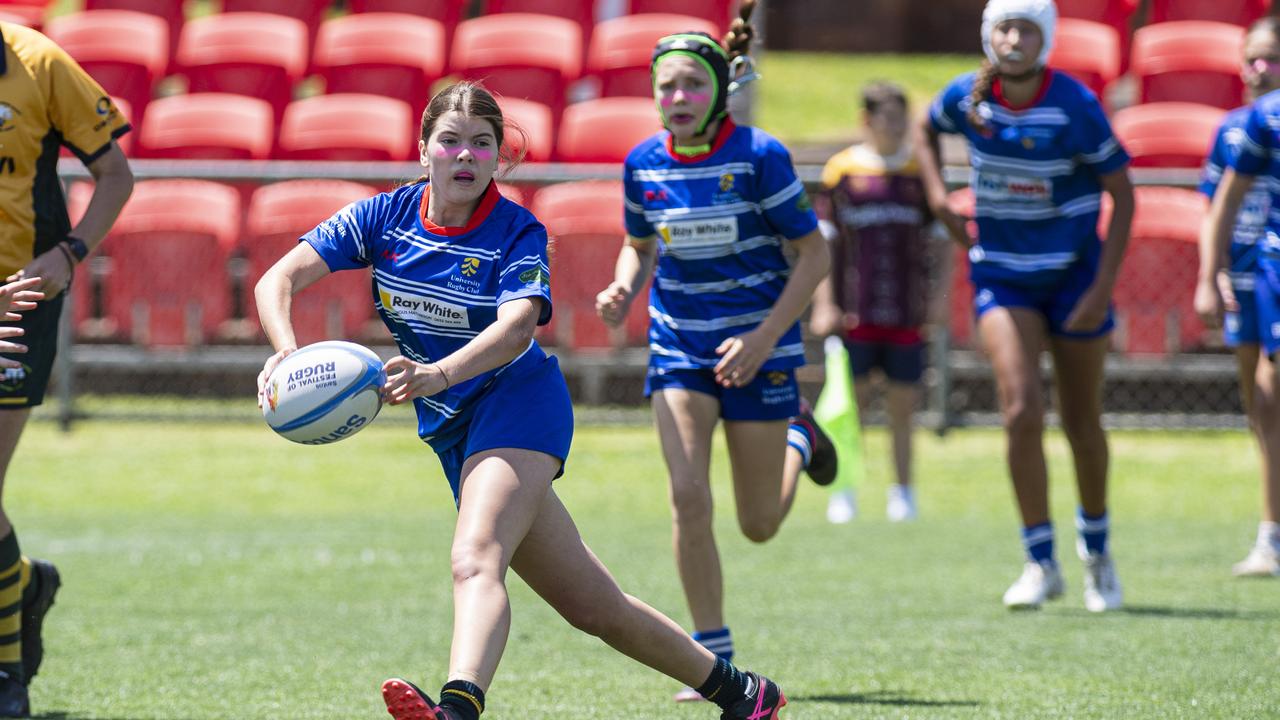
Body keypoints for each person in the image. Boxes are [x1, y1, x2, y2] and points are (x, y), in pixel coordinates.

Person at [255, 81, 787, 720]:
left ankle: (458, 708)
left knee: (475, 556)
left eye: (482, 145)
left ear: (498, 157)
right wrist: (286, 355)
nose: (465, 157)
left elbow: (516, 328)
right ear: (423, 149)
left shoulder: (516, 230)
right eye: (450, 142)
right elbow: (277, 278)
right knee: (593, 606)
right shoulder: (383, 217)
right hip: (455, 424)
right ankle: (745, 694)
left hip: (519, 402)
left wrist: (436, 375)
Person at [594, 1, 836, 701]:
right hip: (678, 348)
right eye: (666, 87)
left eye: (692, 86)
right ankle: (715, 657)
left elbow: (814, 255)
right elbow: (640, 245)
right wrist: (622, 284)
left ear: (720, 90)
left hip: (759, 352)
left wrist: (764, 339)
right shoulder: (641, 164)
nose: (678, 98)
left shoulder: (760, 156)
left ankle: (800, 435)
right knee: (687, 496)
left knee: (758, 524)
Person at [914, 0, 1133, 611]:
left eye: (1027, 29)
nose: (1014, 39)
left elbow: (1123, 195)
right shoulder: (968, 97)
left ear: (1047, 40)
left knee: (1083, 423)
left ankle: (1097, 553)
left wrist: (1100, 288)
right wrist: (938, 199)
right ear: (989, 36)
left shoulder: (1076, 105)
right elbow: (924, 127)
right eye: (1004, 27)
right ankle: (1040, 561)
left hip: (1073, 280)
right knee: (1019, 411)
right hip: (1003, 278)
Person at [0, 19, 133, 717]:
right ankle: (19, 585)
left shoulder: (41, 63)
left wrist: (70, 254)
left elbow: (115, 174)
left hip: (20, 308)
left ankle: (5, 675)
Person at [810, 81, 952, 523]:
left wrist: (940, 297)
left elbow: (943, 238)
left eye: (899, 116)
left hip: (905, 309)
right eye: (884, 116)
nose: (892, 126)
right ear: (865, 120)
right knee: (848, 408)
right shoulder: (842, 171)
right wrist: (824, 304)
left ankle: (903, 491)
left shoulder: (918, 171)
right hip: (856, 310)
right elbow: (824, 244)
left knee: (903, 406)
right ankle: (845, 488)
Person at [1196, 19, 1280, 579]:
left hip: (1275, 274)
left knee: (1271, 397)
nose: (1258, 68)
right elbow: (1217, 206)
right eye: (1251, 58)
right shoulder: (1234, 129)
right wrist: (1214, 272)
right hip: (1248, 280)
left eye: (1270, 58)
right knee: (1260, 409)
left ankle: (1269, 536)